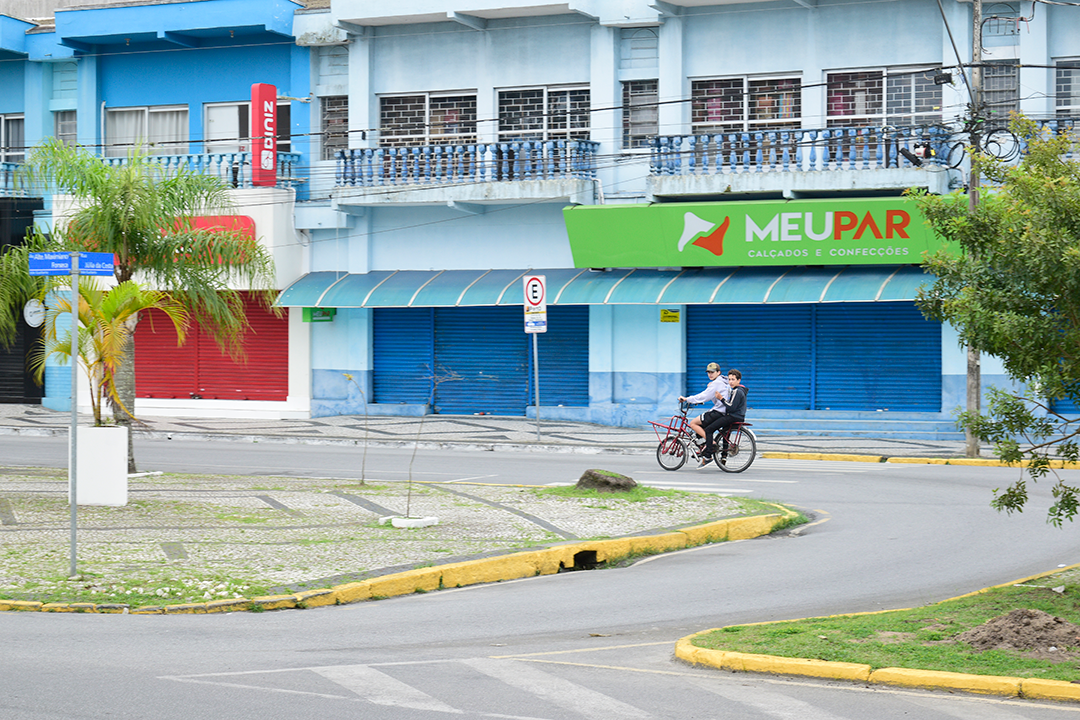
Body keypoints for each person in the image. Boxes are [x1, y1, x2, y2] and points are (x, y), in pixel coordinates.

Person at [678, 362, 730, 460]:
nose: (710, 374)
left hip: (718, 411)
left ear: (718, 372)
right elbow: (711, 395)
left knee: (693, 423)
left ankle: (712, 444)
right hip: (724, 411)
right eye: (708, 372)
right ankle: (704, 447)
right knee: (701, 427)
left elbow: (704, 396)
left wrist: (687, 399)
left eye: (712, 372)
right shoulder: (724, 382)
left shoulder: (716, 383)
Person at [705, 369, 748, 466]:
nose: (731, 382)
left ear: (739, 380)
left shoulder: (737, 391)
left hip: (733, 416)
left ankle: (708, 455)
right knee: (725, 433)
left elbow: (731, 407)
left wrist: (721, 398)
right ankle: (724, 456)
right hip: (738, 416)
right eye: (729, 379)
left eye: (733, 379)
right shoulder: (739, 390)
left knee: (709, 429)